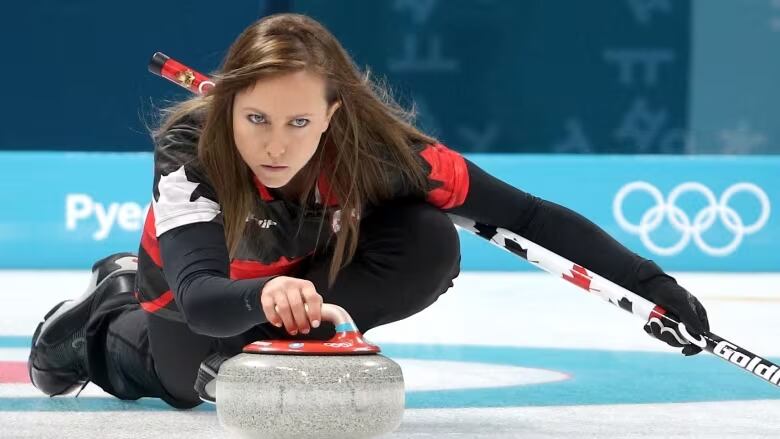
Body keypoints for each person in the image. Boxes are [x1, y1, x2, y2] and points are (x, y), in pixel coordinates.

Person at [28, 13, 709, 409]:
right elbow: (202, 298)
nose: (275, 144)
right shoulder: (192, 150)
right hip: (183, 302)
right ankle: (102, 314)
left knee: (428, 237)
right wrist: (265, 294)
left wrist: (654, 288)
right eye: (256, 118)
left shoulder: (386, 156)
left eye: (299, 121)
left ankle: (293, 334)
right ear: (228, 108)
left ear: (334, 114)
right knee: (188, 384)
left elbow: (530, 217)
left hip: (292, 285)